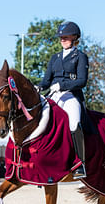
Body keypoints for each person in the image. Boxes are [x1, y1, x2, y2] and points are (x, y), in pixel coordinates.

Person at [38, 21, 89, 179]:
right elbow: (47, 80)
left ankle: (80, 163)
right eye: (61, 38)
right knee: (39, 120)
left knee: (74, 123)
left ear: (75, 39)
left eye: (66, 38)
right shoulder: (55, 58)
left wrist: (62, 85)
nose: (63, 40)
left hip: (71, 95)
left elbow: (82, 81)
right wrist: (38, 87)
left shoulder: (80, 57)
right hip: (54, 94)